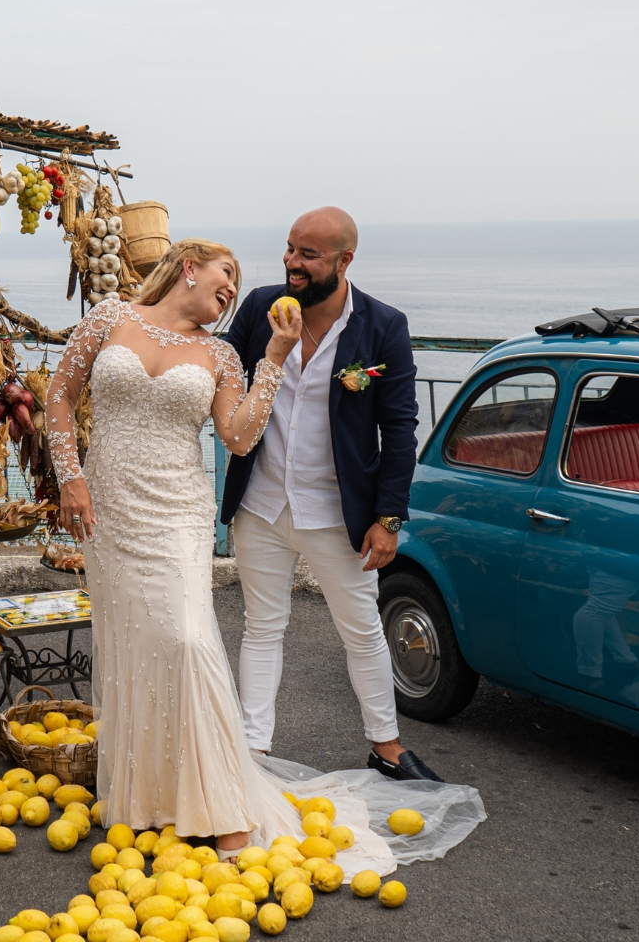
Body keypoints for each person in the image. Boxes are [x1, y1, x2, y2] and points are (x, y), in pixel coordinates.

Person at [46, 238, 365, 858]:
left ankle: (225, 807)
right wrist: (70, 478)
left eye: (236, 283)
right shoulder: (109, 316)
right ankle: (149, 798)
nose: (232, 288)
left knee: (189, 639)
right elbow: (60, 394)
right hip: (109, 508)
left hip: (177, 513)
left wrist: (274, 356)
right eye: (226, 274)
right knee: (134, 643)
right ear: (187, 266)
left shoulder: (221, 354)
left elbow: (239, 438)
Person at [219, 206, 441, 783]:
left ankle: (387, 748)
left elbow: (399, 427)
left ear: (344, 261)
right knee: (262, 626)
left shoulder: (382, 326)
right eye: (290, 248)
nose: (292, 263)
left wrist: (389, 517)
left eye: (308, 255)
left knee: (361, 628)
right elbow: (219, 376)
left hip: (338, 511)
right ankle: (253, 754)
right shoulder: (260, 309)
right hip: (260, 503)